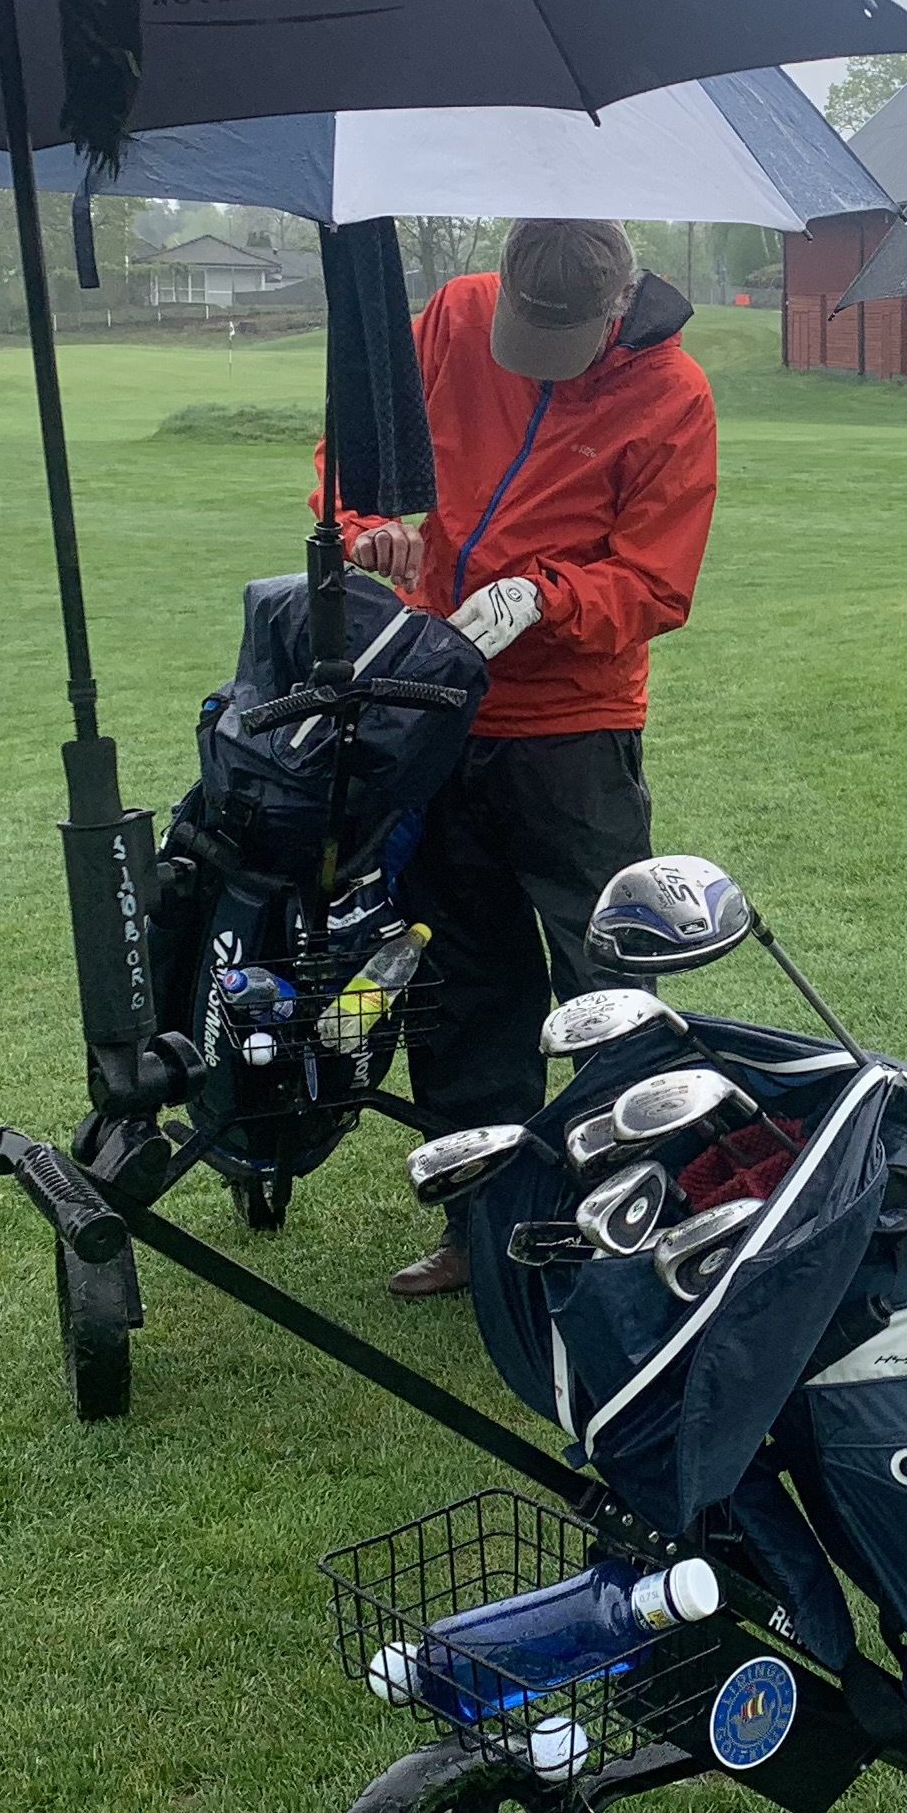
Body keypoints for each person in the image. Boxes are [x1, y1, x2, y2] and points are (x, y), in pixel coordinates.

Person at [347, 219, 718, 1295]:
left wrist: (546, 598)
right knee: (461, 976)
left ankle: (628, 1218)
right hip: (438, 704)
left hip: (574, 729)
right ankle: (482, 1225)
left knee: (606, 979)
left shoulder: (672, 394)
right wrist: (367, 521)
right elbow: (358, 442)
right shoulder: (457, 316)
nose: (533, 356)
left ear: (617, 308)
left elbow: (655, 585)